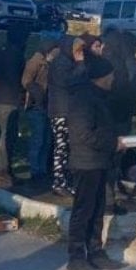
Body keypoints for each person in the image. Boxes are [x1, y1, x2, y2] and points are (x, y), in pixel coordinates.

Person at [64, 56, 128, 270]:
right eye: (111, 75)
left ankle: (96, 251)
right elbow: (83, 134)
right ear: (102, 77)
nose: (113, 79)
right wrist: (113, 143)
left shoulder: (99, 97)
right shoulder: (83, 99)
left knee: (98, 210)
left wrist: (116, 142)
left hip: (100, 161)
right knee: (83, 210)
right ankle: (76, 256)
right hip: (86, 162)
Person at [102, 29, 136, 214]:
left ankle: (110, 192)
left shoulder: (108, 60)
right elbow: (130, 89)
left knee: (111, 157)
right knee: (114, 157)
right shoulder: (126, 63)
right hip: (119, 114)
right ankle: (109, 196)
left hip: (111, 114)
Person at [0, 24, 28, 187]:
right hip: (9, 100)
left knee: (5, 135)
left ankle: (6, 170)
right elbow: (19, 79)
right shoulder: (16, 55)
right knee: (7, 136)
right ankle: (2, 171)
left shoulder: (2, 51)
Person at [47, 35, 87, 196]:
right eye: (78, 51)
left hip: (66, 110)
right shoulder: (61, 64)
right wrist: (80, 64)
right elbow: (70, 82)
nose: (81, 54)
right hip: (61, 111)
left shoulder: (66, 62)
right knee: (61, 147)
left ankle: (65, 181)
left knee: (66, 148)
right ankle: (59, 182)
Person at [22, 38, 59, 184]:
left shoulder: (51, 64)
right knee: (38, 138)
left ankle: (41, 169)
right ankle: (34, 169)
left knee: (46, 139)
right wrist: (38, 94)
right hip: (36, 105)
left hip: (49, 105)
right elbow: (26, 81)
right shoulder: (36, 62)